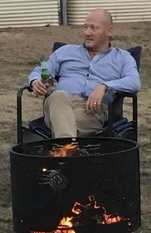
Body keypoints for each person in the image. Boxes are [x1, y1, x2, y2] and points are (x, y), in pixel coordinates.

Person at [26, 9, 140, 139]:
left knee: (63, 122)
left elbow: (134, 82)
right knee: (58, 95)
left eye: (93, 28)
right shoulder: (65, 52)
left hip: (91, 110)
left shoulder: (123, 57)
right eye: (85, 27)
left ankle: (64, 145)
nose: (87, 33)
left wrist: (104, 86)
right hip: (58, 104)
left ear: (108, 31)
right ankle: (67, 146)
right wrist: (34, 80)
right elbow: (41, 70)